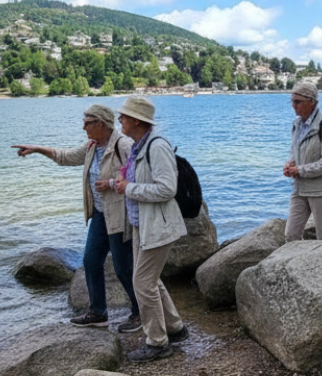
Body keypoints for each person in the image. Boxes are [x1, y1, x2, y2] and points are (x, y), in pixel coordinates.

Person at [11, 104, 142, 332]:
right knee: (90, 262)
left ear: (101, 123)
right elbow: (65, 157)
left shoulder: (123, 145)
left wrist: (112, 184)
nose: (84, 128)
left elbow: (139, 177)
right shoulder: (91, 146)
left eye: (88, 123)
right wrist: (37, 149)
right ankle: (98, 312)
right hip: (100, 215)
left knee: (123, 268)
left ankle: (140, 313)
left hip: (120, 217)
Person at [111, 95, 190, 362]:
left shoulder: (156, 146)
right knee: (150, 280)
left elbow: (167, 189)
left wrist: (129, 188)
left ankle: (157, 342)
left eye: (123, 116)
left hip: (157, 225)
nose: (120, 119)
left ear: (136, 120)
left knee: (143, 283)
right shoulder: (138, 146)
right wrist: (122, 182)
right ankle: (175, 328)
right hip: (142, 224)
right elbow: (139, 181)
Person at [283, 81, 322, 243]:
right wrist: (289, 164)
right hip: (299, 189)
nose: (293, 105)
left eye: (298, 102)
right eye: (292, 101)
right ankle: (297, 261)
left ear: (311, 102)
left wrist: (299, 170)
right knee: (291, 236)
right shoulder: (296, 124)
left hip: (321, 191)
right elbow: (294, 151)